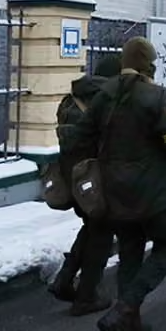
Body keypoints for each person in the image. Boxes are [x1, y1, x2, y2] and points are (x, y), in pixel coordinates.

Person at [71, 37, 166, 331]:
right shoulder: (159, 96)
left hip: (117, 194)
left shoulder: (103, 96)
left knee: (130, 253)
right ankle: (125, 307)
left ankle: (130, 325)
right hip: (155, 194)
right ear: (150, 65)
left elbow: (81, 138)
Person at [49, 55, 120, 316]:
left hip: (74, 177)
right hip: (97, 178)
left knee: (90, 228)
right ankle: (87, 296)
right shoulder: (105, 100)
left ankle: (64, 280)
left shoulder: (71, 98)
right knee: (101, 234)